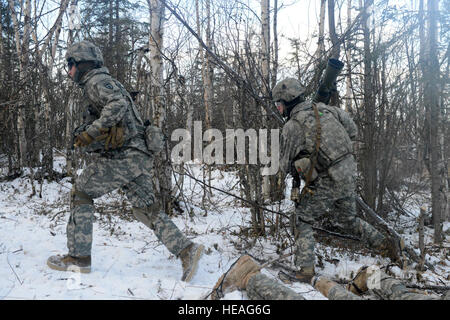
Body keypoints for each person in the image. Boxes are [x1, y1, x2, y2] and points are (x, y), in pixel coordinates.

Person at [47, 40, 204, 282]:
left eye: (70, 65)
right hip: (137, 156)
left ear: (81, 64)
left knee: (82, 192)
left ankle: (78, 258)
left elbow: (117, 105)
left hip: (125, 156)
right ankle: (186, 250)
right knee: (145, 209)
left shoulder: (95, 81)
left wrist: (92, 131)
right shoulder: (106, 81)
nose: (69, 72)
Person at [272, 78, 400, 282]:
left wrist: (305, 159)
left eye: (278, 104)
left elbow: (283, 165)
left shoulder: (292, 126)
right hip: (348, 172)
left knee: (301, 218)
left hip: (327, 178)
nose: (277, 108)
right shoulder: (326, 109)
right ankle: (387, 246)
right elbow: (352, 131)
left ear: (287, 102)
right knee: (347, 219)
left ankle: (305, 271)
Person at [211, 255, 305, 300]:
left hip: (255, 281)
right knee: (278, 292)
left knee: (279, 292)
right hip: (255, 281)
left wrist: (215, 295)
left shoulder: (234, 270)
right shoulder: (236, 268)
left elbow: (221, 284)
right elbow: (221, 283)